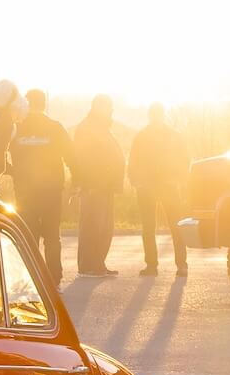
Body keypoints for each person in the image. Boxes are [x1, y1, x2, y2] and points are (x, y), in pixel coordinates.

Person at [9, 89, 75, 286]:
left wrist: (13, 172)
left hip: (25, 192)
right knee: (52, 236)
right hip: (52, 191)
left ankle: (30, 279)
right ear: (44, 104)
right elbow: (71, 156)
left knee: (28, 235)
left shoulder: (16, 128)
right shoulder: (55, 127)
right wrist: (77, 182)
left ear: (26, 104)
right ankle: (54, 279)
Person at [128, 103, 189, 278]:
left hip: (161, 186)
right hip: (157, 186)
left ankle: (157, 266)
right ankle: (172, 265)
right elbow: (185, 160)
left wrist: (135, 181)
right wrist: (136, 181)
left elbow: (184, 159)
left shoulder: (143, 136)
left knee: (161, 227)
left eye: (157, 115)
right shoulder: (171, 136)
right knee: (163, 227)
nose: (156, 119)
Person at [73, 95, 125, 277]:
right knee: (92, 226)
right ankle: (88, 266)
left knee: (104, 227)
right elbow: (81, 158)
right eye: (108, 107)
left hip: (106, 186)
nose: (111, 110)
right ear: (98, 107)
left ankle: (98, 264)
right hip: (94, 186)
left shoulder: (102, 127)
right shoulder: (87, 128)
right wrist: (87, 183)